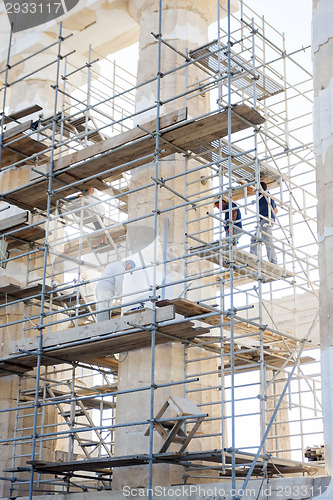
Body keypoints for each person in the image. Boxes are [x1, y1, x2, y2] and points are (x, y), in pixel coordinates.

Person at [250, 181, 278, 264]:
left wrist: (242, 182)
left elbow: (249, 189)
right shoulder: (269, 195)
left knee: (267, 239)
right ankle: (253, 256)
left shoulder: (262, 194)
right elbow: (276, 210)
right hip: (266, 219)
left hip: (265, 219)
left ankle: (273, 261)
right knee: (255, 239)